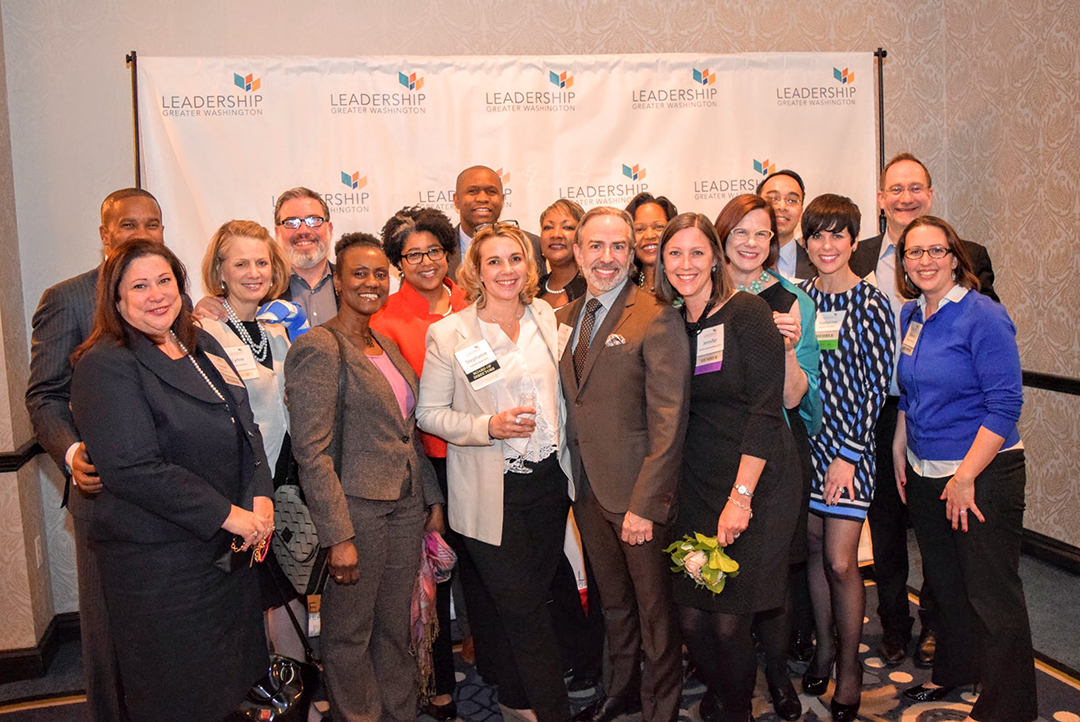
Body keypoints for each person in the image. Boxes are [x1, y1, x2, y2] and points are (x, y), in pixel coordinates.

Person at [69, 239, 273, 722]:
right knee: (180, 698)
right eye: (139, 286)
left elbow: (246, 425)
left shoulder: (199, 344)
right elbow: (134, 468)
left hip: (227, 559)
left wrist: (260, 496)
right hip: (162, 569)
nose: (156, 294)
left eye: (164, 281)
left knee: (231, 690)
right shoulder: (105, 363)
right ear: (116, 300)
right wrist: (231, 516)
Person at [417, 222, 574, 722]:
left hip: (550, 484)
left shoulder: (546, 317)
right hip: (490, 490)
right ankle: (553, 711)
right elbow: (429, 414)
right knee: (523, 608)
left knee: (532, 602)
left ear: (529, 265)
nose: (506, 270)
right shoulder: (450, 332)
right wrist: (489, 425)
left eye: (515, 259)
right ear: (477, 271)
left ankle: (514, 699)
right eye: (494, 261)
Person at [286, 232, 445, 722]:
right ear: (336, 279)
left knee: (394, 626)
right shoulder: (319, 346)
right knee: (349, 631)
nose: (372, 283)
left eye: (380, 273)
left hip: (404, 507)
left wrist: (432, 501)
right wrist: (338, 537)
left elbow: (407, 432)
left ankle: (399, 712)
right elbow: (311, 453)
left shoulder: (386, 344)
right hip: (355, 513)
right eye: (359, 273)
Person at [25, 187, 165, 722]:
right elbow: (43, 394)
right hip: (103, 491)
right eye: (128, 225)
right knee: (110, 636)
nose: (142, 234)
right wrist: (71, 451)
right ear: (105, 234)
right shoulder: (68, 299)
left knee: (166, 631)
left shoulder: (168, 297)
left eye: (152, 224)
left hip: (169, 493)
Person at [854, 154, 998, 667]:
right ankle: (895, 624)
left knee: (939, 526)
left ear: (930, 195)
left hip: (940, 414)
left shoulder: (966, 253)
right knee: (886, 526)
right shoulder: (857, 254)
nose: (905, 197)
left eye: (915, 188)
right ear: (880, 199)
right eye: (895, 189)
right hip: (880, 412)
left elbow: (986, 340)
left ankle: (940, 626)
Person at [657, 211, 799, 722]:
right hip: (697, 482)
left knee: (729, 624)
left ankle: (735, 709)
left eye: (698, 252)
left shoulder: (747, 314)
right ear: (661, 260)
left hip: (755, 481)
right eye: (675, 253)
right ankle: (721, 693)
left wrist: (740, 498)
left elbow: (766, 411)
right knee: (692, 616)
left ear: (715, 257)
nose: (686, 263)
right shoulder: (671, 321)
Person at [893, 216, 1036, 722]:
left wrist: (965, 477)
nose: (925, 260)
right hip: (926, 471)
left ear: (955, 258)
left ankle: (1007, 707)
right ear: (903, 262)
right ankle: (955, 672)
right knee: (947, 587)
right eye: (914, 252)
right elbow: (910, 395)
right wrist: (899, 450)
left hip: (981, 476)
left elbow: (1004, 405)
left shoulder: (983, 315)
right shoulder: (913, 315)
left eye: (935, 251)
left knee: (991, 594)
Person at [558, 207, 690, 722]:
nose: (606, 258)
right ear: (578, 252)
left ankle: (662, 706)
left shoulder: (656, 314)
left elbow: (669, 418)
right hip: (587, 490)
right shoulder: (565, 318)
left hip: (637, 494)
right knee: (614, 604)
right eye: (595, 246)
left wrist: (647, 503)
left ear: (633, 251)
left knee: (655, 611)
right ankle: (621, 690)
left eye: (618, 247)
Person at [716, 193, 822, 720]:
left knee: (772, 572)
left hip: (775, 455)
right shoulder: (699, 295)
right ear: (723, 238)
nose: (752, 243)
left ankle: (778, 674)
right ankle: (723, 673)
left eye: (762, 234)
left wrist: (784, 349)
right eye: (741, 232)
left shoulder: (793, 301)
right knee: (718, 567)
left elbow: (794, 398)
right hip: (713, 454)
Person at [798, 194, 894, 721]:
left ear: (854, 241)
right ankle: (822, 648)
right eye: (818, 235)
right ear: (806, 243)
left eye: (838, 235)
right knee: (813, 551)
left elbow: (876, 388)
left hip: (849, 454)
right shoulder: (801, 297)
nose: (827, 245)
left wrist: (848, 456)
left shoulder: (870, 302)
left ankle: (851, 667)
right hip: (807, 448)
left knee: (840, 561)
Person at [370, 206, 469, 720]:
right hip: (431, 465)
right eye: (413, 255)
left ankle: (497, 666)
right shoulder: (384, 320)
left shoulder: (477, 298)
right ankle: (438, 682)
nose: (427, 262)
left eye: (434, 250)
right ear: (398, 263)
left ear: (448, 252)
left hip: (492, 457)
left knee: (490, 574)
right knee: (431, 578)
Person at [197, 219, 309, 660]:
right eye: (240, 263)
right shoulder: (202, 332)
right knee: (247, 595)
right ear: (220, 271)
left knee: (288, 590)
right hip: (238, 485)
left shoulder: (277, 327)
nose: (253, 272)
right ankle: (255, 689)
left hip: (285, 477)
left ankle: (292, 691)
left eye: (261, 261)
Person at [196, 187, 338, 327]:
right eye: (291, 223)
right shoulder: (257, 288)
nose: (303, 230)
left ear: (329, 229)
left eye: (313, 220)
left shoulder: (352, 284)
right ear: (277, 232)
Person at [447, 165, 544, 281]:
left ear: (502, 200)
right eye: (472, 191)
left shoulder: (532, 244)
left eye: (491, 192)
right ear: (456, 200)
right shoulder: (440, 247)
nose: (483, 198)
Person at [757, 170, 816, 280]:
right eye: (773, 198)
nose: (782, 206)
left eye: (791, 200)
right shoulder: (736, 260)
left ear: (801, 213)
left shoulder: (818, 263)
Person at [537, 198, 587, 308]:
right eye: (548, 227)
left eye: (567, 227)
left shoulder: (593, 289)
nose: (556, 234)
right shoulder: (530, 292)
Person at [624, 192, 677, 294]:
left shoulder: (686, 285)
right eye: (639, 229)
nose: (649, 236)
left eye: (658, 227)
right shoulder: (622, 289)